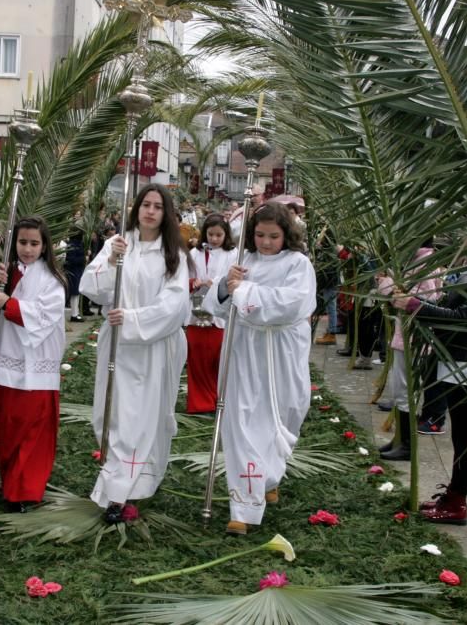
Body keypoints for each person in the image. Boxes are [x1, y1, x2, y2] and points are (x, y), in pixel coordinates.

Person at [203, 202, 315, 535]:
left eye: (274, 236)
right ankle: (244, 507)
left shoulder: (298, 264)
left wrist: (247, 290)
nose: (266, 242)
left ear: (287, 235)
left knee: (285, 415)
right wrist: (226, 285)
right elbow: (216, 307)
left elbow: (292, 303)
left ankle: (269, 477)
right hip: (244, 352)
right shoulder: (243, 261)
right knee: (243, 421)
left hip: (281, 352)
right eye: (260, 235)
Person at [81, 184, 190, 523]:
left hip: (154, 348)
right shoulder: (119, 243)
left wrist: (132, 318)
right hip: (118, 346)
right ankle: (118, 483)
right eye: (146, 204)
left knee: (145, 417)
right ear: (137, 207)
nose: (151, 211)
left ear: (166, 213)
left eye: (158, 206)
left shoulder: (173, 254)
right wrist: (112, 260)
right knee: (112, 414)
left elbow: (175, 304)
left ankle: (122, 493)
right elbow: (91, 288)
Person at [391, 241, 467, 524]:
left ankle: (458, 501)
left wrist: (416, 305)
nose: (463, 258)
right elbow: (445, 308)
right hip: (458, 363)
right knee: (460, 436)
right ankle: (454, 494)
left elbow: (460, 319)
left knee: (465, 437)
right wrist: (415, 304)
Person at [0, 216, 66, 511]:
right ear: (13, 244)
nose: (28, 249)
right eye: (23, 243)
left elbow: (47, 315)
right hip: (1, 365)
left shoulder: (52, 280)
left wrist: (9, 304)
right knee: (5, 427)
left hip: (34, 368)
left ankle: (24, 491)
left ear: (45, 245)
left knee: (31, 434)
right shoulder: (1, 273)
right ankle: (11, 482)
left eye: (34, 243)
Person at [376, 244, 443, 461]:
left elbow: (428, 301)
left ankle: (407, 446)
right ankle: (400, 440)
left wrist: (388, 285)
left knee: (405, 392)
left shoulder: (424, 263)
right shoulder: (417, 260)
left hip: (414, 338)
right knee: (401, 390)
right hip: (406, 335)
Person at [185, 214, 238, 414]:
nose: (214, 239)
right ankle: (199, 403)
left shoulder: (232, 255)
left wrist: (215, 283)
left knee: (218, 358)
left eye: (219, 235)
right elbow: (184, 278)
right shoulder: (194, 253)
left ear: (226, 235)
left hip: (220, 316)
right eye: (210, 234)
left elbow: (233, 279)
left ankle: (219, 399)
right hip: (196, 313)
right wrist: (194, 283)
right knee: (197, 360)